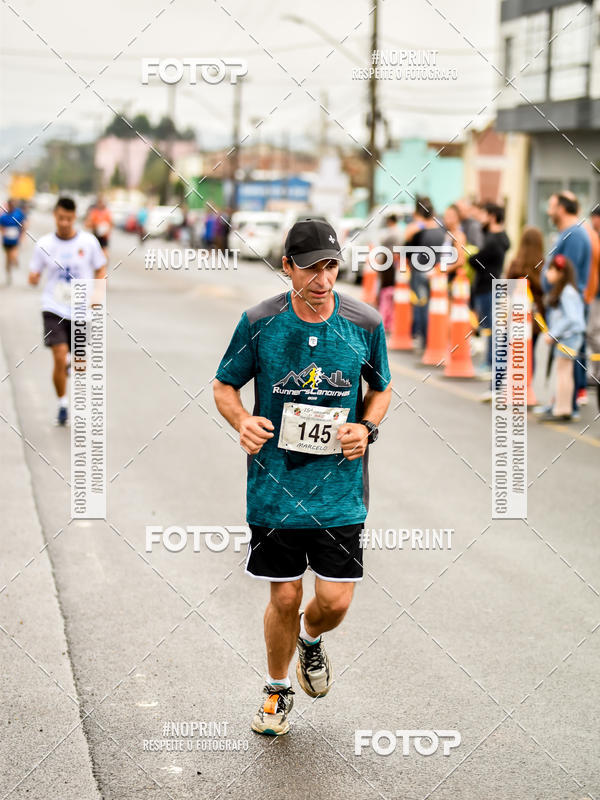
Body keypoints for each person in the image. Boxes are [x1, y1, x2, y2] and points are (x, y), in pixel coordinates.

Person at [213, 218, 392, 736]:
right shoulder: (258, 322)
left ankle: (310, 642)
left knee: (333, 601)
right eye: (311, 267)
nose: (323, 278)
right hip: (275, 491)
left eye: (331, 265)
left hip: (340, 494)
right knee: (284, 596)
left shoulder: (365, 323)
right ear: (286, 266)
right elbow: (225, 385)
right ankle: (276, 690)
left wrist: (367, 426)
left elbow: (381, 388)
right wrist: (243, 420)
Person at [28, 197, 106, 426]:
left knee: (80, 364)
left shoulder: (88, 242)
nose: (64, 223)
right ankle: (63, 403)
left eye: (69, 219)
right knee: (59, 355)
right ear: (55, 215)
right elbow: (34, 274)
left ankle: (73, 363)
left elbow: (101, 267)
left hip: (82, 310)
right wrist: (33, 278)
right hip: (53, 307)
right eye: (61, 218)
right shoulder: (44, 244)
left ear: (74, 218)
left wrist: (98, 293)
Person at [544, 192, 591, 414]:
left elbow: (567, 271)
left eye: (552, 206)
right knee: (563, 368)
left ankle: (566, 406)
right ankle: (560, 405)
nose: (549, 211)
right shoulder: (568, 234)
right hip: (562, 312)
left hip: (568, 316)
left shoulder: (574, 235)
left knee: (567, 368)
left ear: (562, 209)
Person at [537, 254, 586, 422]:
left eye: (551, 270)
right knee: (566, 372)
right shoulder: (567, 291)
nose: (547, 273)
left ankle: (562, 408)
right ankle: (564, 407)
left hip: (569, 337)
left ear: (561, 273)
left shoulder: (567, 292)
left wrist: (553, 333)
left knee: (563, 372)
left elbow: (571, 318)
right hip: (571, 337)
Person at [469, 202, 510, 378]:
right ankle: (490, 361)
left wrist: (473, 257)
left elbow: (475, 260)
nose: (480, 219)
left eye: (484, 215)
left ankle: (490, 363)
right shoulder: (498, 237)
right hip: (490, 284)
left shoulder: (494, 241)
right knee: (490, 327)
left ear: (492, 216)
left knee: (491, 327)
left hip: (488, 286)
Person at [405, 196, 445, 349]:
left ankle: (424, 338)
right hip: (436, 271)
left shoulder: (417, 229)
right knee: (434, 306)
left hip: (420, 270)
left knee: (421, 304)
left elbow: (407, 249)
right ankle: (433, 338)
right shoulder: (441, 230)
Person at [505, 226, 545, 374]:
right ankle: (527, 386)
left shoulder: (516, 265)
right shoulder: (542, 266)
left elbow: (507, 290)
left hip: (515, 316)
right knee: (530, 351)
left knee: (513, 350)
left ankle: (511, 384)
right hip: (535, 318)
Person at [376, 214, 402, 332]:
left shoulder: (389, 233)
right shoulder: (400, 232)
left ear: (390, 221)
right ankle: (390, 321)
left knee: (385, 292)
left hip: (388, 263)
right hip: (394, 264)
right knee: (391, 293)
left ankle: (384, 319)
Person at [1, 198, 27, 286]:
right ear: (8, 206)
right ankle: (9, 274)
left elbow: (23, 224)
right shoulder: (3, 216)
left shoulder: (18, 214)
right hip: (6, 240)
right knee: (7, 259)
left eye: (13, 205)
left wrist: (22, 235)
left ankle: (15, 260)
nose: (11, 207)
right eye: (10, 205)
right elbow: (1, 227)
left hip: (15, 239)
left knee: (13, 254)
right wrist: (3, 231)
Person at [85, 195, 112, 259]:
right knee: (94, 252)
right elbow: (88, 224)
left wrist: (106, 229)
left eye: (102, 202)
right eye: (99, 202)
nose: (101, 204)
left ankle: (104, 264)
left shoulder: (107, 212)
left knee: (105, 253)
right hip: (95, 234)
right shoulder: (94, 212)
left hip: (104, 237)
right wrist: (96, 225)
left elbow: (111, 224)